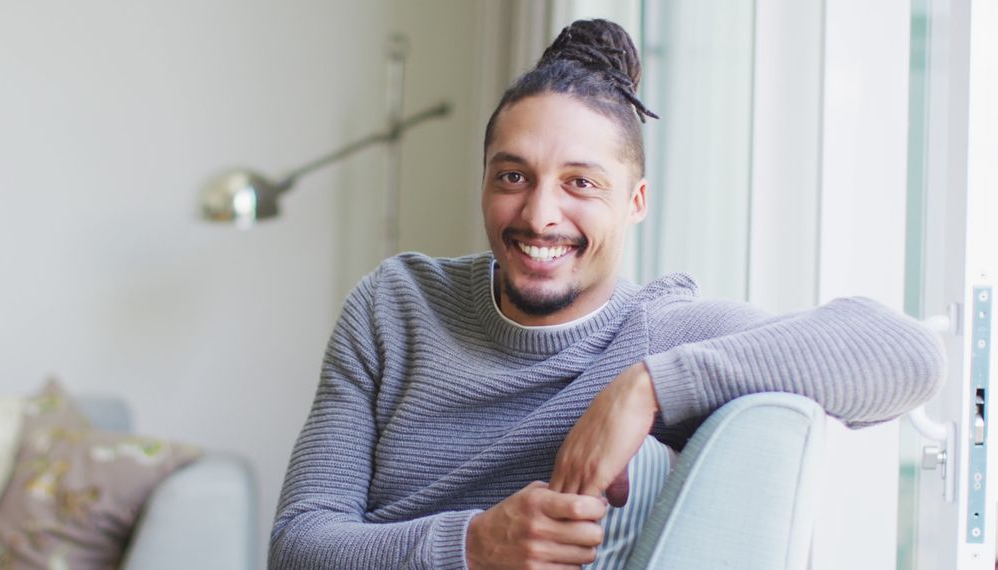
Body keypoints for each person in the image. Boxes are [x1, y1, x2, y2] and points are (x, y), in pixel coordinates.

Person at [269, 18, 943, 570]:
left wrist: (647, 386)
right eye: (513, 176)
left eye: (581, 183)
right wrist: (474, 545)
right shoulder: (396, 306)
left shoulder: (659, 333)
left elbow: (906, 355)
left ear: (635, 202)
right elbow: (297, 544)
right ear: (484, 180)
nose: (539, 215)